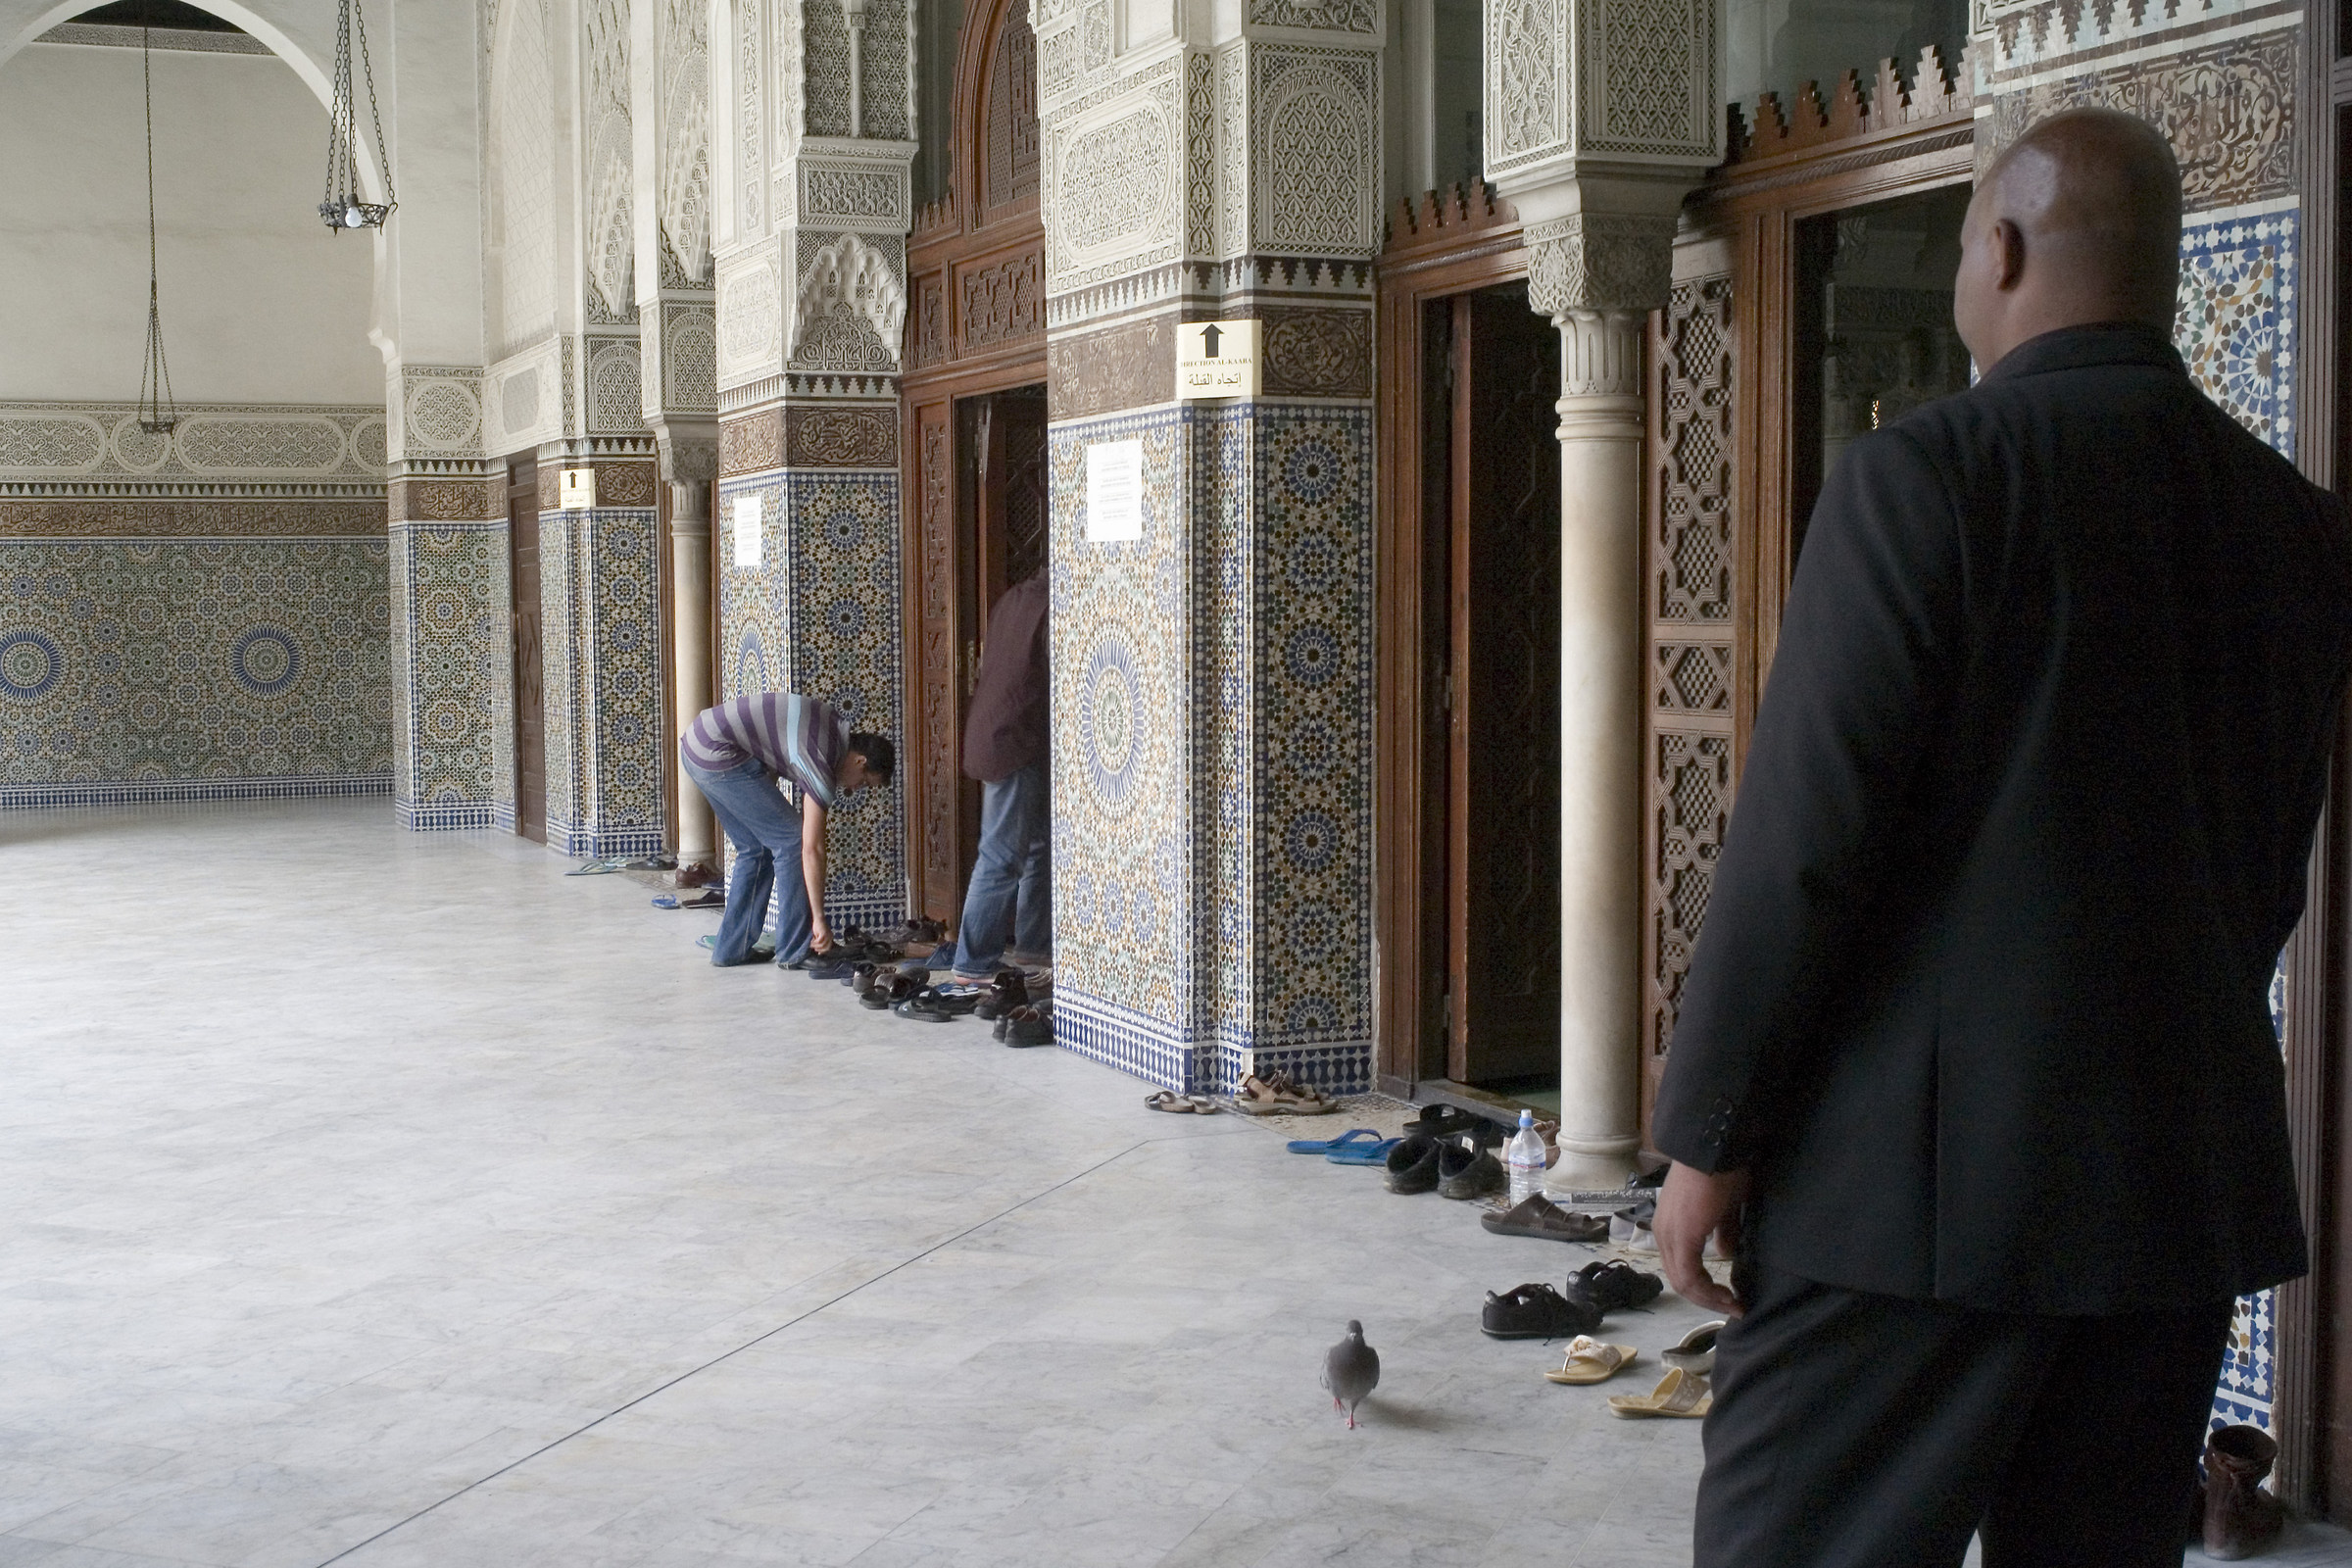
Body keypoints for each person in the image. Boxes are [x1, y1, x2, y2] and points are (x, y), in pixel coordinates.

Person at [1649, 107, 2352, 1568]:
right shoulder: (2297, 524)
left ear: (2007, 249)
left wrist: (1706, 1138)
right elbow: (2267, 861)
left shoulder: (1932, 477)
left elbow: (1800, 851)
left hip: (1904, 1208)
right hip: (2169, 1190)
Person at [677, 692, 894, 968]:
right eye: (863, 782)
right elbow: (810, 848)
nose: (853, 789)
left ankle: (730, 950)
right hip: (719, 754)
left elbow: (772, 746)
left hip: (697, 746)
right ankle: (796, 950)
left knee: (755, 848)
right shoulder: (821, 759)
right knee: (791, 840)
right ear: (860, 761)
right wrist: (818, 919)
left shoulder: (833, 727)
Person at [931, 570, 1051, 989]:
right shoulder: (1051, 606)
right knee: (1001, 856)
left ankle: (1035, 952)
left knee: (1039, 848)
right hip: (1014, 740)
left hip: (1003, 735)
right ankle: (974, 964)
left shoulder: (1015, 596)